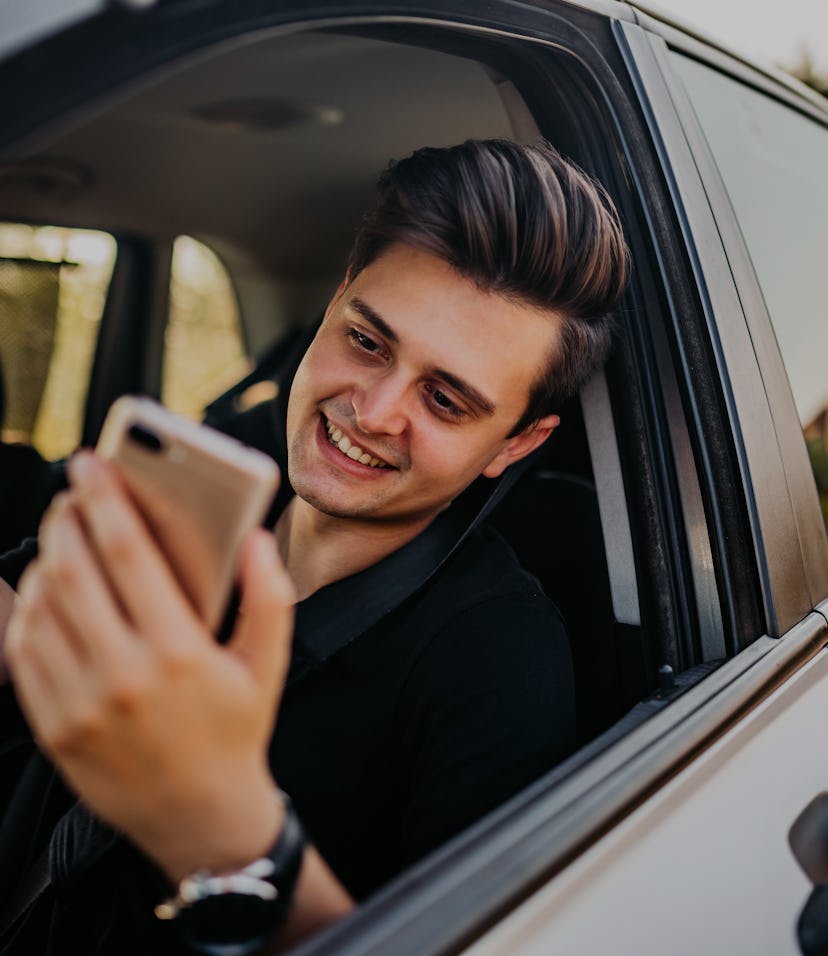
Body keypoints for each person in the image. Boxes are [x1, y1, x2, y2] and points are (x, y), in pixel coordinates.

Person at [0, 138, 629, 955]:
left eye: (445, 399)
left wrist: (218, 823)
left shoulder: (501, 657)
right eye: (367, 342)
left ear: (516, 443)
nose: (372, 411)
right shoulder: (212, 481)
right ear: (335, 302)